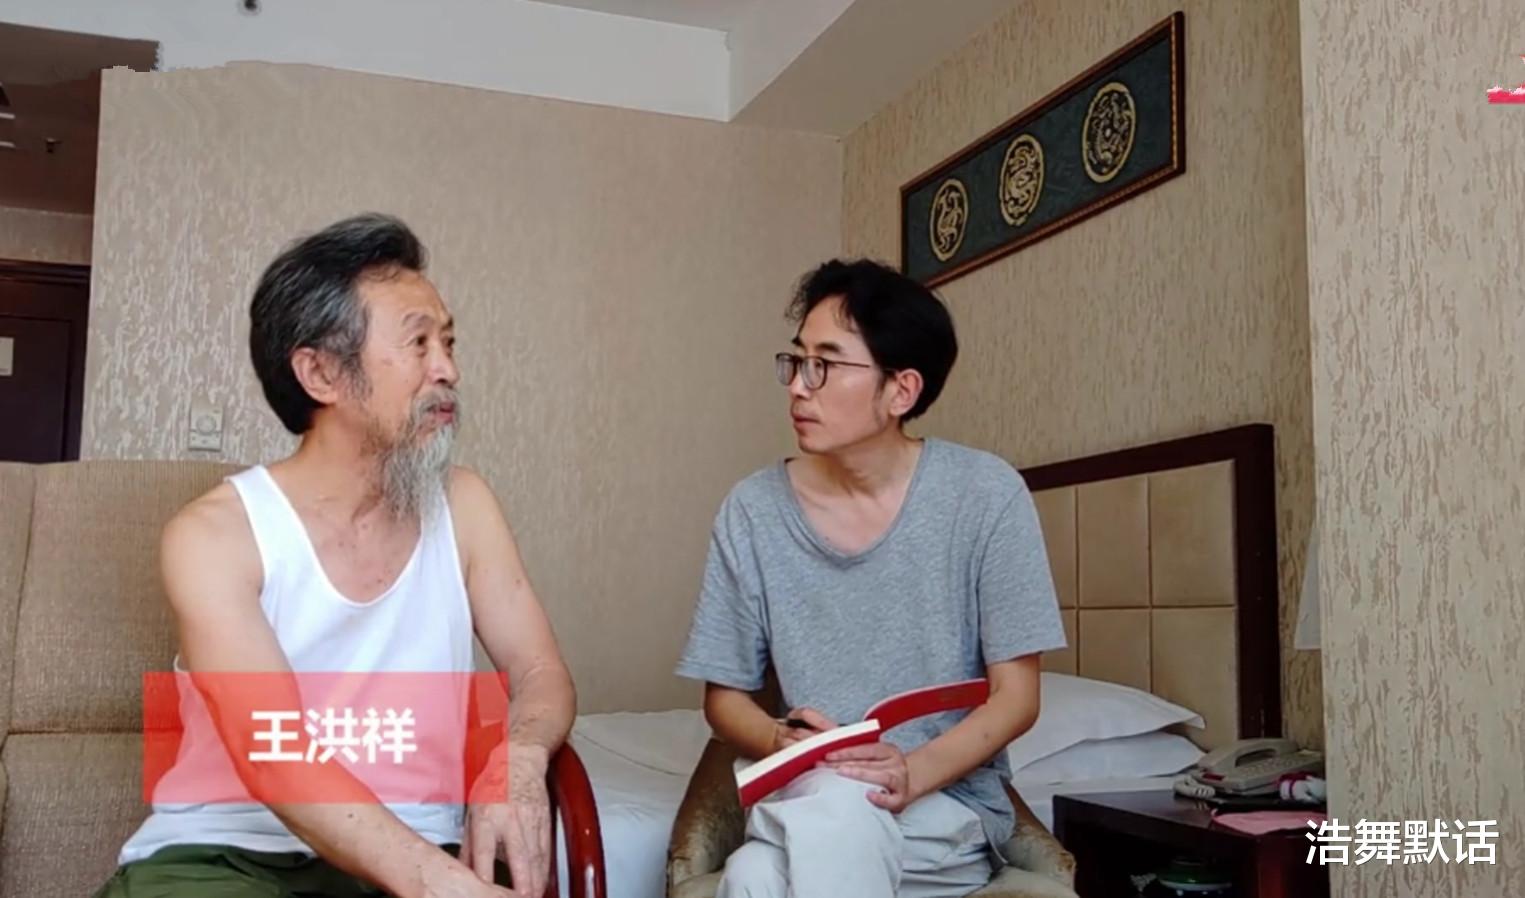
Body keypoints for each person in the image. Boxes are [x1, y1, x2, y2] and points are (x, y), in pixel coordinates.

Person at [96, 214, 575, 898]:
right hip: (226, 857)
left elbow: (539, 669)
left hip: (423, 845)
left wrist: (519, 759)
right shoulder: (213, 536)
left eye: (447, 342)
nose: (448, 370)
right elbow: (275, 754)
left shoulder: (464, 505)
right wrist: (447, 887)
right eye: (418, 342)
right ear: (320, 372)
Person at [675, 259, 1066, 898]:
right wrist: (782, 738)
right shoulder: (752, 510)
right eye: (796, 361)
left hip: (942, 805)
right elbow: (724, 700)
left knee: (760, 871)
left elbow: (1017, 697)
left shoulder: (985, 496)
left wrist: (910, 771)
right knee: (784, 845)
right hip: (808, 792)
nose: (798, 386)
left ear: (900, 391)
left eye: (825, 365)